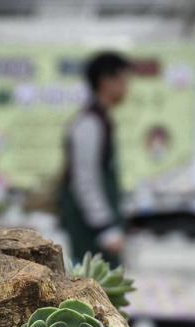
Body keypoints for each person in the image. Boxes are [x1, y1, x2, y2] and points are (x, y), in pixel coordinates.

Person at [58, 51, 131, 262]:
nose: (128, 87)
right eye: (124, 80)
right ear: (106, 81)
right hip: (91, 231)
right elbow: (85, 180)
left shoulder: (102, 120)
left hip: (96, 227)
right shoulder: (89, 124)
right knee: (91, 279)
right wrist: (105, 229)